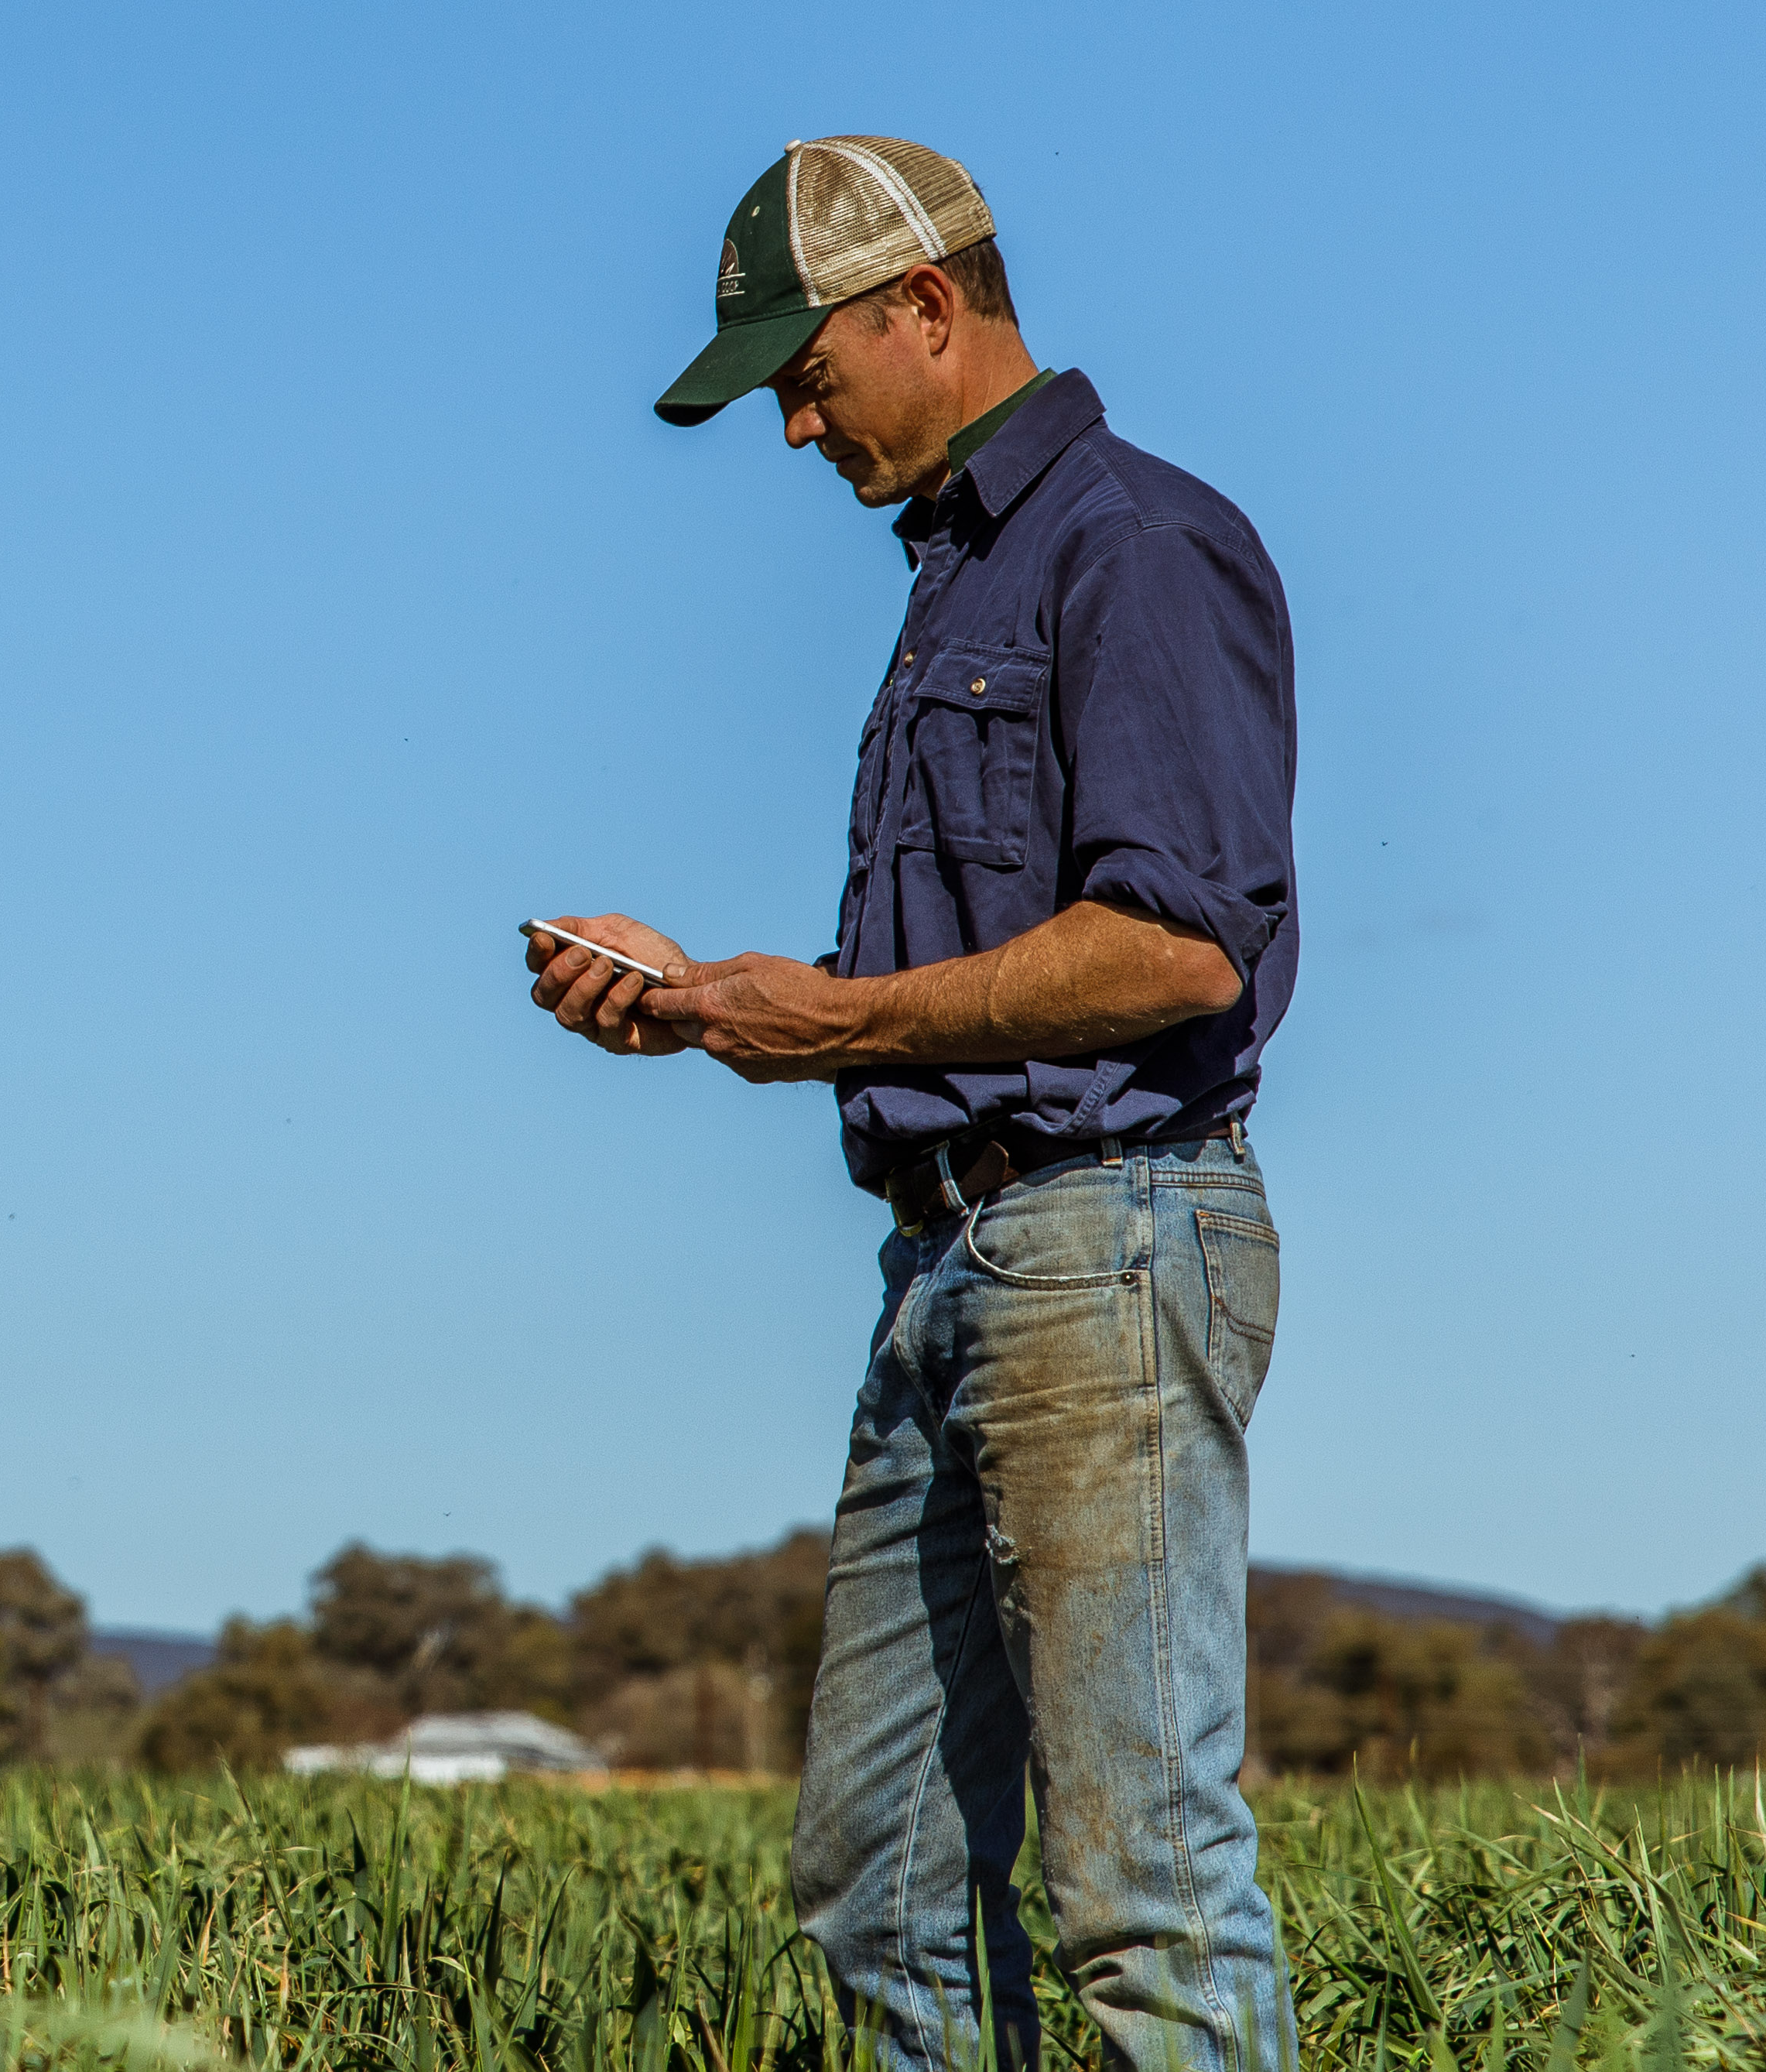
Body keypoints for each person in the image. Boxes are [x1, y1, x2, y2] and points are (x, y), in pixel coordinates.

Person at [521, 136, 1298, 2072]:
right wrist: (710, 1008)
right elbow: (957, 979)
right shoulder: (967, 571)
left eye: (803, 373)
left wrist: (837, 1019)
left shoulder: (1129, 543)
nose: (791, 426)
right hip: (950, 1257)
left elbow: (1179, 944)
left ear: (925, 308)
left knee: (1144, 1884)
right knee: (883, 1879)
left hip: (1101, 1240)